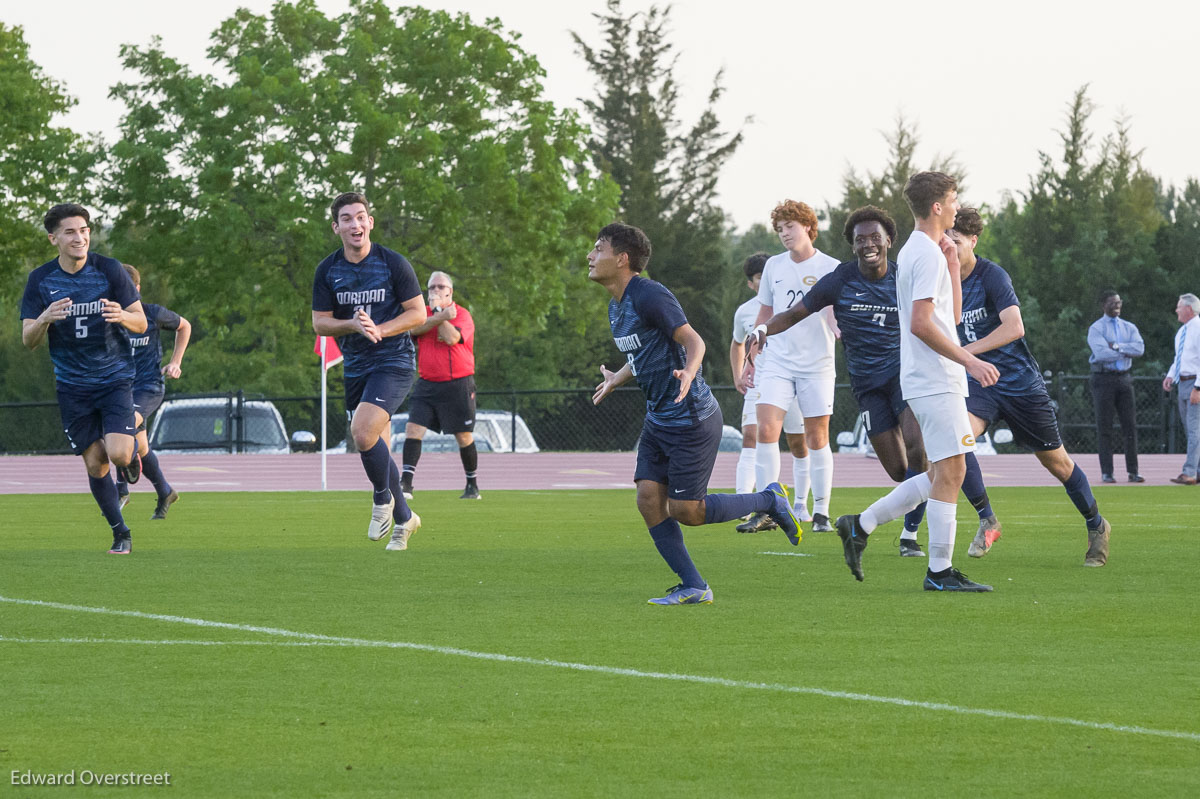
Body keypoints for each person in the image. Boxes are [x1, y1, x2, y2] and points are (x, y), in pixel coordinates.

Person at [589, 222, 801, 605]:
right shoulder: (616, 306)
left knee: (687, 510)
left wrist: (689, 370)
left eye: (598, 248)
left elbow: (693, 340)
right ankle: (694, 586)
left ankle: (769, 500)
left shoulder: (651, 294)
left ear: (622, 259)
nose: (590, 255)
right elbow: (642, 353)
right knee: (648, 500)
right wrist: (617, 378)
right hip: (659, 419)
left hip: (691, 419)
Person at [832, 172, 999, 591]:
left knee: (947, 471)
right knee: (953, 470)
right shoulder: (921, 253)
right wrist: (971, 362)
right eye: (954, 199)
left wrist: (951, 266)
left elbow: (952, 318)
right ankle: (939, 572)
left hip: (936, 377)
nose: (958, 206)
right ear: (938, 207)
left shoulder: (927, 252)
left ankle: (861, 524)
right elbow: (923, 325)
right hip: (934, 377)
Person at [747, 205, 930, 557]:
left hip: (905, 378)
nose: (869, 244)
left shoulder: (905, 276)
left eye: (875, 237)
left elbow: (932, 318)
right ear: (853, 246)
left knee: (918, 448)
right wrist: (763, 330)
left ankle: (910, 535)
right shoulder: (841, 279)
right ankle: (900, 508)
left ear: (889, 240)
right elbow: (796, 313)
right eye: (861, 240)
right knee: (899, 470)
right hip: (867, 386)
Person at [948, 208, 1111, 567]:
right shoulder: (942, 280)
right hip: (979, 385)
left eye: (955, 241)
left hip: (1020, 385)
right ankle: (987, 518)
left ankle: (1097, 525)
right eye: (944, 239)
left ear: (973, 241)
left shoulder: (992, 276)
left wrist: (964, 354)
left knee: (1058, 463)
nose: (948, 246)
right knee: (955, 439)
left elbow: (1014, 328)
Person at [20, 203, 147, 554]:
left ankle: (131, 452)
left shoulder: (109, 270)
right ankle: (121, 533)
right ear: (53, 239)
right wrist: (44, 318)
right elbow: (28, 340)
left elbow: (141, 322)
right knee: (95, 462)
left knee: (119, 456)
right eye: (71, 232)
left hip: (114, 378)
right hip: (72, 386)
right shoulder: (41, 280)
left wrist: (122, 315)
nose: (80, 237)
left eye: (85, 230)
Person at [312, 192, 426, 551]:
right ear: (336, 227)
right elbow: (320, 323)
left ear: (370, 222)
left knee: (361, 433)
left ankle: (382, 500)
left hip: (394, 361)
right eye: (347, 219)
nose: (355, 224)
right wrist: (354, 326)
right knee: (374, 445)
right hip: (356, 368)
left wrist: (381, 329)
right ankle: (406, 519)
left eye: (361, 217)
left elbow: (418, 314)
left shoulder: (393, 263)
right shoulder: (328, 270)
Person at [745, 200, 840, 532]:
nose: (784, 234)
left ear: (808, 227)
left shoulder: (832, 266)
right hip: (778, 361)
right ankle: (767, 507)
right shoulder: (773, 265)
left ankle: (822, 513)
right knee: (766, 429)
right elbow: (765, 311)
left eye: (790, 226)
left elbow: (831, 310)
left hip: (817, 364)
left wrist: (838, 326)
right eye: (780, 229)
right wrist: (752, 351)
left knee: (817, 437)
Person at [729, 252, 810, 530]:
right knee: (752, 436)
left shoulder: (793, 303)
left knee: (799, 443)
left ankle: (801, 504)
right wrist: (738, 372)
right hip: (759, 382)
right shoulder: (745, 311)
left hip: (793, 380)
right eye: (760, 278)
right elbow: (737, 343)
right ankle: (747, 504)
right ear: (752, 284)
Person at [115, 264, 190, 519]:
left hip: (148, 387)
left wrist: (175, 362)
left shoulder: (152, 314)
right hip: (121, 388)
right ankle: (165, 491)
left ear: (136, 289)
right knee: (142, 448)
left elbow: (185, 326)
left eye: (126, 289)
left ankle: (120, 490)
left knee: (119, 426)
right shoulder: (111, 319)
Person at [400, 271, 481, 500]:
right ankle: (406, 483)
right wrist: (437, 315)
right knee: (413, 429)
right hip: (427, 383)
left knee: (463, 435)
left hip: (458, 383)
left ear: (450, 291)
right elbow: (414, 330)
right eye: (431, 287)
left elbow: (452, 338)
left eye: (440, 287)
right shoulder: (421, 314)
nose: (435, 291)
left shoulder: (462, 315)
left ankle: (472, 485)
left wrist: (439, 314)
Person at [1087, 291, 1145, 483]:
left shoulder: (1129, 327)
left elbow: (1140, 349)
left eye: (1118, 302)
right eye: (1112, 303)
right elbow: (1101, 353)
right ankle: (1107, 472)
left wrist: (1117, 347)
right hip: (1103, 379)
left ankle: (1133, 471)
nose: (1116, 306)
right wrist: (1126, 351)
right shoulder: (1096, 328)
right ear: (1103, 305)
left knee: (1130, 426)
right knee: (1105, 427)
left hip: (1124, 379)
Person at [1163, 293, 1200, 485]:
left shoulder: (1198, 329)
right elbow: (1180, 359)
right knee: (1190, 430)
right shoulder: (1182, 332)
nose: (1176, 310)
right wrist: (1171, 375)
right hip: (1183, 383)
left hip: (1195, 383)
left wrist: (1198, 388)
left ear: (1189, 309)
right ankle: (1197, 470)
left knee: (1194, 430)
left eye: (1179, 307)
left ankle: (1189, 472)